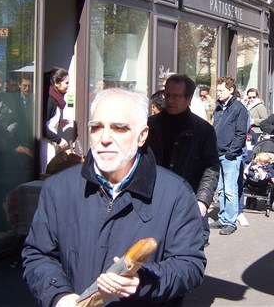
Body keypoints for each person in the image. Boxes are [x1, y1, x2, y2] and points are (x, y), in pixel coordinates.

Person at [22, 88, 206, 307]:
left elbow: (189, 265)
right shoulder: (58, 188)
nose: (105, 138)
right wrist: (59, 295)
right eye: (97, 127)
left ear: (142, 136)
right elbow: (38, 254)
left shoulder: (176, 194)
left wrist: (142, 281)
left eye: (119, 128)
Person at [146, 74, 219, 248]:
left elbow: (211, 168)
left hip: (187, 200)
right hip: (153, 200)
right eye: (167, 95)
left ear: (187, 99)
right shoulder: (150, 125)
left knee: (185, 252)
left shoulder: (203, 130)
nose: (169, 100)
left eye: (175, 96)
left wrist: (202, 200)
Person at [210, 76, 249, 236]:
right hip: (217, 153)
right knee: (221, 189)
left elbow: (241, 133)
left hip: (230, 155)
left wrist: (232, 152)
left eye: (221, 90)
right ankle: (223, 217)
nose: (218, 93)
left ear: (231, 90)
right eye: (217, 90)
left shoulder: (239, 108)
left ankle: (230, 221)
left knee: (230, 190)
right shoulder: (219, 107)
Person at [42, 67, 70, 171]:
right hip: (45, 145)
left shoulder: (54, 100)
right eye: (66, 83)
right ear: (57, 83)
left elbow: (48, 122)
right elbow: (41, 127)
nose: (68, 85)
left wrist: (58, 123)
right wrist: (59, 140)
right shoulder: (50, 101)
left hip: (49, 143)